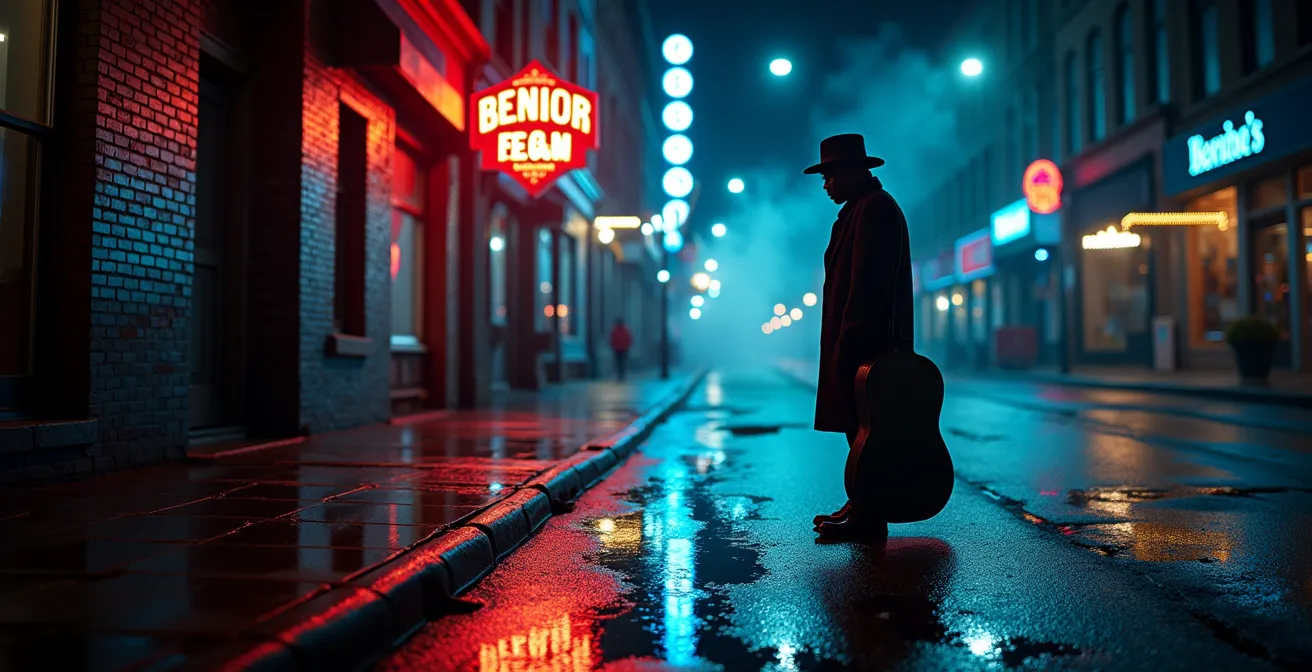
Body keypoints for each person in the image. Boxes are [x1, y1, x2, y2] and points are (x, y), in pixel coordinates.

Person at [804, 133, 914, 540]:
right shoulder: (860, 210)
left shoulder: (874, 211)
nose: (825, 184)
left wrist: (848, 349)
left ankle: (870, 514)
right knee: (860, 432)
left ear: (853, 172)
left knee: (869, 432)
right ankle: (863, 504)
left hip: (867, 348)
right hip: (858, 345)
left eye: (830, 175)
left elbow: (866, 290)